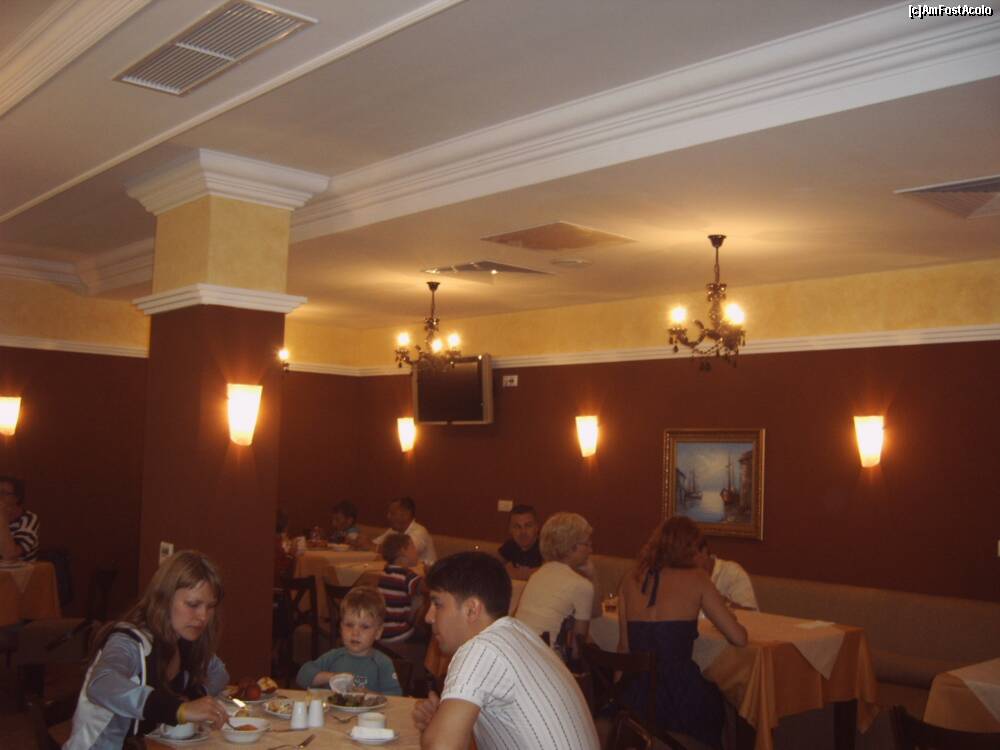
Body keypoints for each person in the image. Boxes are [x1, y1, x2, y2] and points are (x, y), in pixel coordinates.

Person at [412, 551, 599, 750]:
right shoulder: (520, 634)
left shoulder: (481, 649)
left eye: (437, 604)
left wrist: (437, 734)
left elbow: (441, 747)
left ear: (472, 609)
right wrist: (443, 725)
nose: (428, 617)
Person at [64, 550, 230, 750]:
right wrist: (178, 709)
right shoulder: (129, 641)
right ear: (164, 598)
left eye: (210, 606)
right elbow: (100, 684)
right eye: (193, 604)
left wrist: (195, 696)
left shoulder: (183, 637)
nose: (203, 616)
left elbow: (219, 672)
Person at [618, 517, 748, 750]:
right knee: (727, 701)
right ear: (688, 549)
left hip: (637, 693)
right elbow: (739, 638)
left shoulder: (630, 578)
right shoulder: (697, 579)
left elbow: (624, 648)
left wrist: (619, 697)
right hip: (680, 693)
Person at [513, 512, 594, 660]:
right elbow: (577, 651)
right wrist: (593, 579)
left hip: (518, 653)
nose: (591, 550)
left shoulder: (538, 574)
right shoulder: (581, 585)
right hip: (547, 663)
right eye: (587, 544)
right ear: (572, 547)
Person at [296, 586, 402, 695]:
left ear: (378, 632)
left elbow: (396, 697)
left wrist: (367, 694)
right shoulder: (334, 656)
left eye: (364, 627)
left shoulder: (382, 663)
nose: (355, 633)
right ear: (341, 627)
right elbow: (302, 676)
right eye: (349, 625)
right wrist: (332, 677)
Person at [377, 533, 424, 644]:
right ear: (403, 551)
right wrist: (431, 573)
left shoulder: (385, 571)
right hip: (397, 632)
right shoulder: (406, 576)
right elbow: (426, 588)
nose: (416, 551)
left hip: (380, 631)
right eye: (412, 547)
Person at [369, 497, 436, 565]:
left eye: (392, 513)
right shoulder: (393, 531)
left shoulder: (420, 532)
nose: (388, 516)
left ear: (406, 515)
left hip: (425, 571)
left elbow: (401, 553)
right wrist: (367, 543)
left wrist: (373, 547)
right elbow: (374, 543)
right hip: (403, 570)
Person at [696, 537, 759, 610]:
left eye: (689, 556)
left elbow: (750, 612)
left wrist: (722, 602)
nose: (686, 562)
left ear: (704, 552)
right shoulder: (687, 576)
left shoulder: (732, 572)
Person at [497, 504, 542, 581]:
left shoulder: (545, 548)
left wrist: (516, 573)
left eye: (528, 526)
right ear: (510, 529)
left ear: (537, 527)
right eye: (517, 527)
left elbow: (550, 572)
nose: (523, 532)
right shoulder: (510, 546)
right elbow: (493, 566)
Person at [1, 475, 39, 562]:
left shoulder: (28, 519)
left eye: (3, 493)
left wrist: (2, 517)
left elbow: (10, 555)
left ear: (17, 498)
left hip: (21, 569)